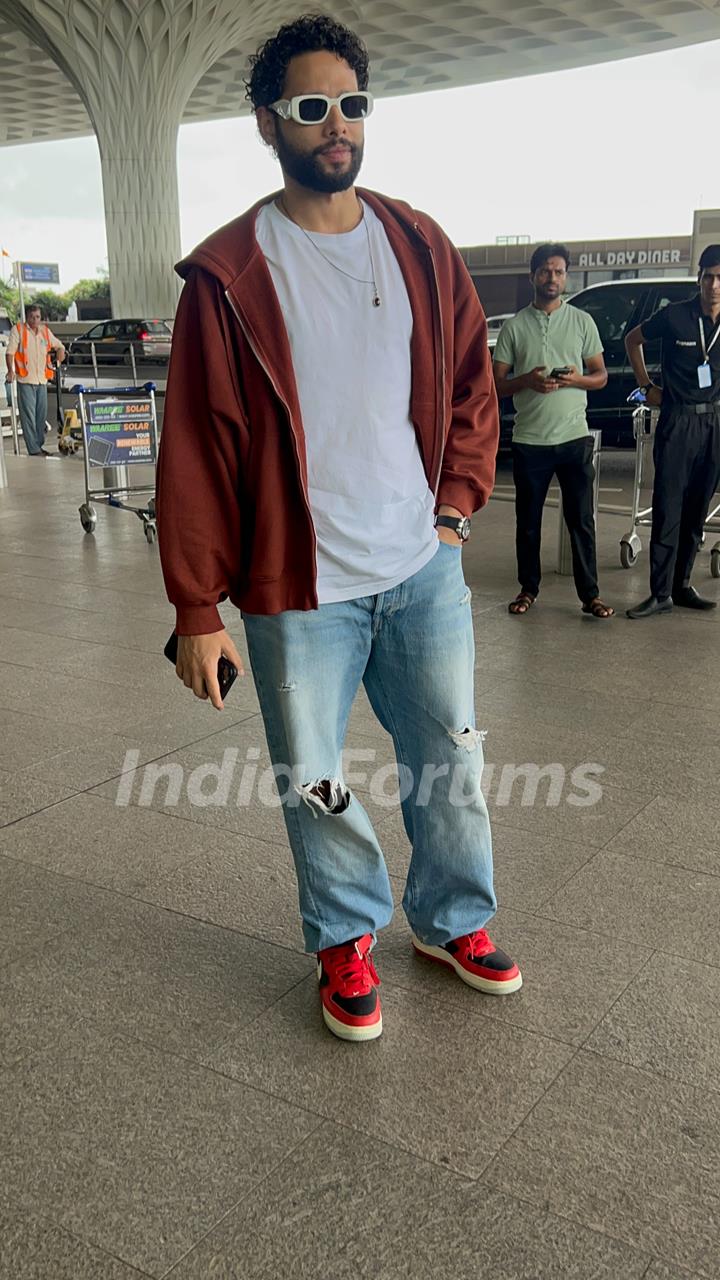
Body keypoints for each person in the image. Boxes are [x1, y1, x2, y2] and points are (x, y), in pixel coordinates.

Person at [156, 14, 522, 1043]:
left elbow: (469, 385)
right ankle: (345, 937)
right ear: (270, 121)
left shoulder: (418, 243)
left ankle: (455, 919)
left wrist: (453, 510)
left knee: (450, 757)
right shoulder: (230, 274)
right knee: (317, 779)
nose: (336, 125)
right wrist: (197, 603)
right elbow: (192, 445)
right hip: (295, 586)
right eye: (311, 107)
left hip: (421, 569)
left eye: (351, 104)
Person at [493, 244, 613, 618]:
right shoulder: (514, 327)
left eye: (559, 272)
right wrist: (526, 380)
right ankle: (528, 589)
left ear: (566, 277)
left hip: (574, 437)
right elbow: (496, 384)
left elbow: (601, 376)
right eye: (546, 271)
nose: (553, 278)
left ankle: (590, 595)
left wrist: (577, 378)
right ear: (532, 276)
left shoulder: (582, 322)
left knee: (581, 519)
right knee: (527, 522)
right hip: (531, 440)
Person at [625, 244, 720, 618]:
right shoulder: (676, 316)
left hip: (713, 424)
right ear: (698, 279)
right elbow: (632, 340)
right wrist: (648, 387)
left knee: (698, 509)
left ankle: (681, 586)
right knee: (668, 507)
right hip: (677, 420)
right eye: (708, 276)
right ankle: (660, 592)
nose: (714, 285)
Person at [5, 305, 65, 456]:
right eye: (32, 317)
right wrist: (11, 371)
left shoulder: (45, 331)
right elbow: (10, 353)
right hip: (26, 380)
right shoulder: (18, 330)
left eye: (37, 317)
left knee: (40, 417)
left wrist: (57, 361)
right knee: (28, 417)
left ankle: (38, 446)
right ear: (27, 317)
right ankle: (33, 449)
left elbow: (60, 347)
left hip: (41, 380)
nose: (35, 320)